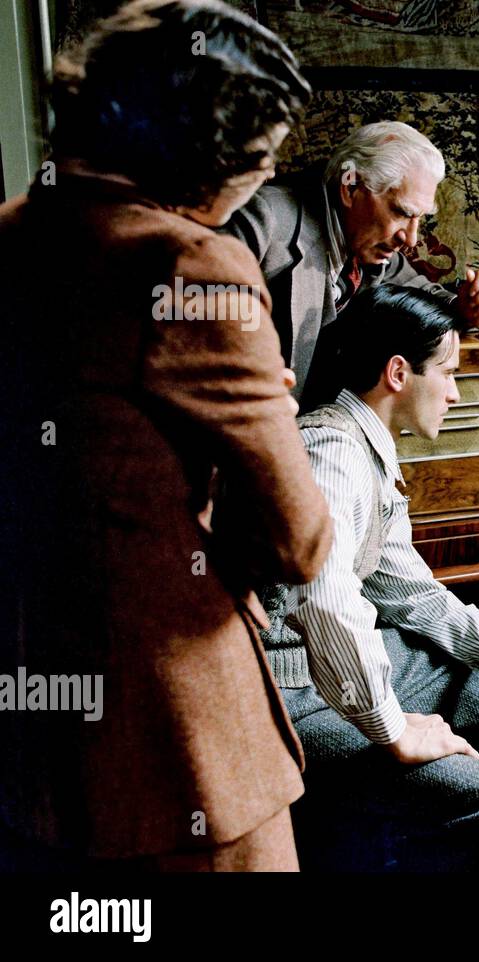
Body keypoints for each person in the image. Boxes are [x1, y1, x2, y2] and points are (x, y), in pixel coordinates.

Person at [0, 0, 331, 870]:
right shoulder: (187, 262)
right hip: (181, 747)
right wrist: (272, 419)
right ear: (206, 153)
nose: (260, 183)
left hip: (39, 744)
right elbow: (298, 541)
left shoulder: (13, 231)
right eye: (261, 160)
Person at [259, 284, 479, 871]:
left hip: (328, 676)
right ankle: (476, 815)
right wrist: (394, 729)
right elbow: (322, 599)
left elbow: (411, 593)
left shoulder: (367, 447)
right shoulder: (331, 455)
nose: (455, 392)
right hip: (292, 695)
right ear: (398, 373)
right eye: (447, 373)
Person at [224, 120, 479, 407]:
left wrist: (472, 306)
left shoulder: (371, 251)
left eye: (420, 219)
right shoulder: (265, 221)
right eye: (401, 213)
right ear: (351, 187)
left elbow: (430, 297)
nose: (410, 239)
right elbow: (188, 326)